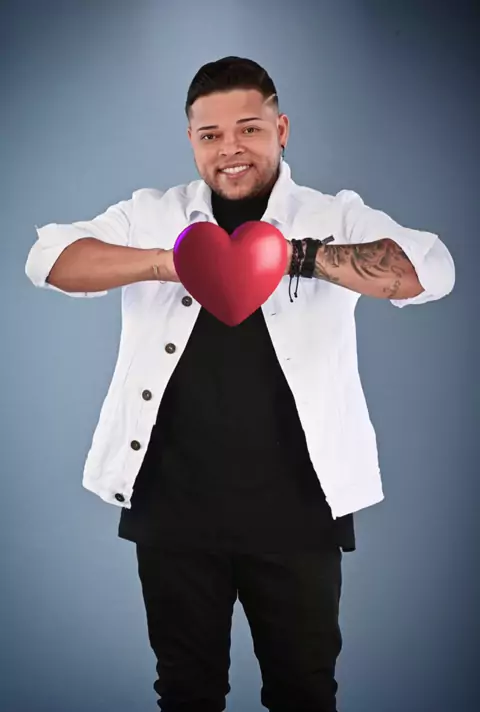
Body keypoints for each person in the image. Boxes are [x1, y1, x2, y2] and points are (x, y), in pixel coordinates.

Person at [25, 56, 455, 712]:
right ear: (191, 141)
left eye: (249, 129)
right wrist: (169, 262)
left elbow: (431, 272)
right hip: (171, 505)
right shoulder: (151, 214)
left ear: (281, 129)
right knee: (185, 693)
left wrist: (298, 255)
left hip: (300, 510)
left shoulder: (333, 214)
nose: (230, 148)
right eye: (211, 135)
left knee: (305, 693)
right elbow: (49, 259)